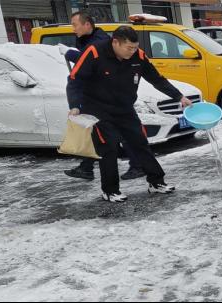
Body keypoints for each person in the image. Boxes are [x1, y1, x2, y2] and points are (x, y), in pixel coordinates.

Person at [67, 26, 193, 202]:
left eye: (135, 48)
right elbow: (75, 79)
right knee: (109, 146)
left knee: (140, 142)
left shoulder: (138, 55)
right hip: (97, 109)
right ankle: (110, 190)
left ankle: (156, 182)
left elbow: (156, 79)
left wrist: (179, 96)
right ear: (115, 42)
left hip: (124, 108)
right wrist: (74, 105)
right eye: (129, 48)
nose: (132, 52)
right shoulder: (94, 52)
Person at [59, 12, 145, 181]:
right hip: (92, 95)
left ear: (87, 25)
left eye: (75, 25)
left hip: (105, 98)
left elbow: (87, 60)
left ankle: (138, 164)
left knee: (118, 132)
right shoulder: (90, 40)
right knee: (92, 130)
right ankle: (86, 167)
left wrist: (69, 53)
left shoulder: (99, 42)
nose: (73, 28)